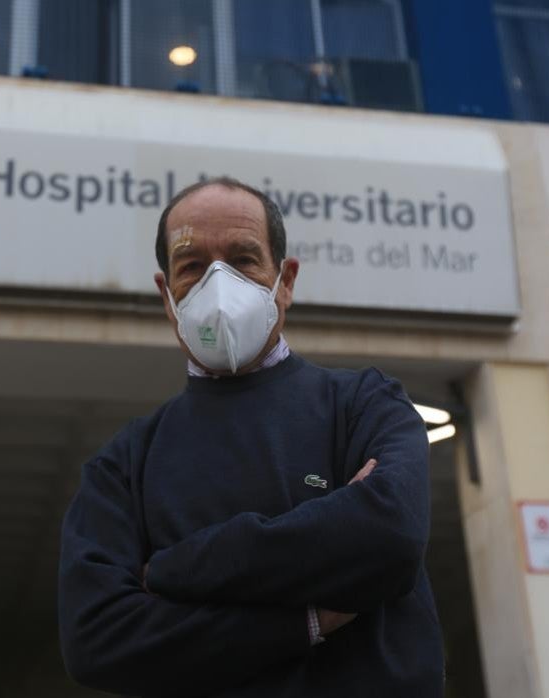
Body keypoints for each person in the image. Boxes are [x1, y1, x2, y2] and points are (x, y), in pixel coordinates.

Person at [57, 177, 443, 696]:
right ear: (166, 294)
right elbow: (96, 639)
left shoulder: (365, 404)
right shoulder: (124, 465)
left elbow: (390, 539)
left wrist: (178, 568)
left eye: (243, 260)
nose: (219, 285)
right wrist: (302, 623)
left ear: (285, 281)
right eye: (192, 266)